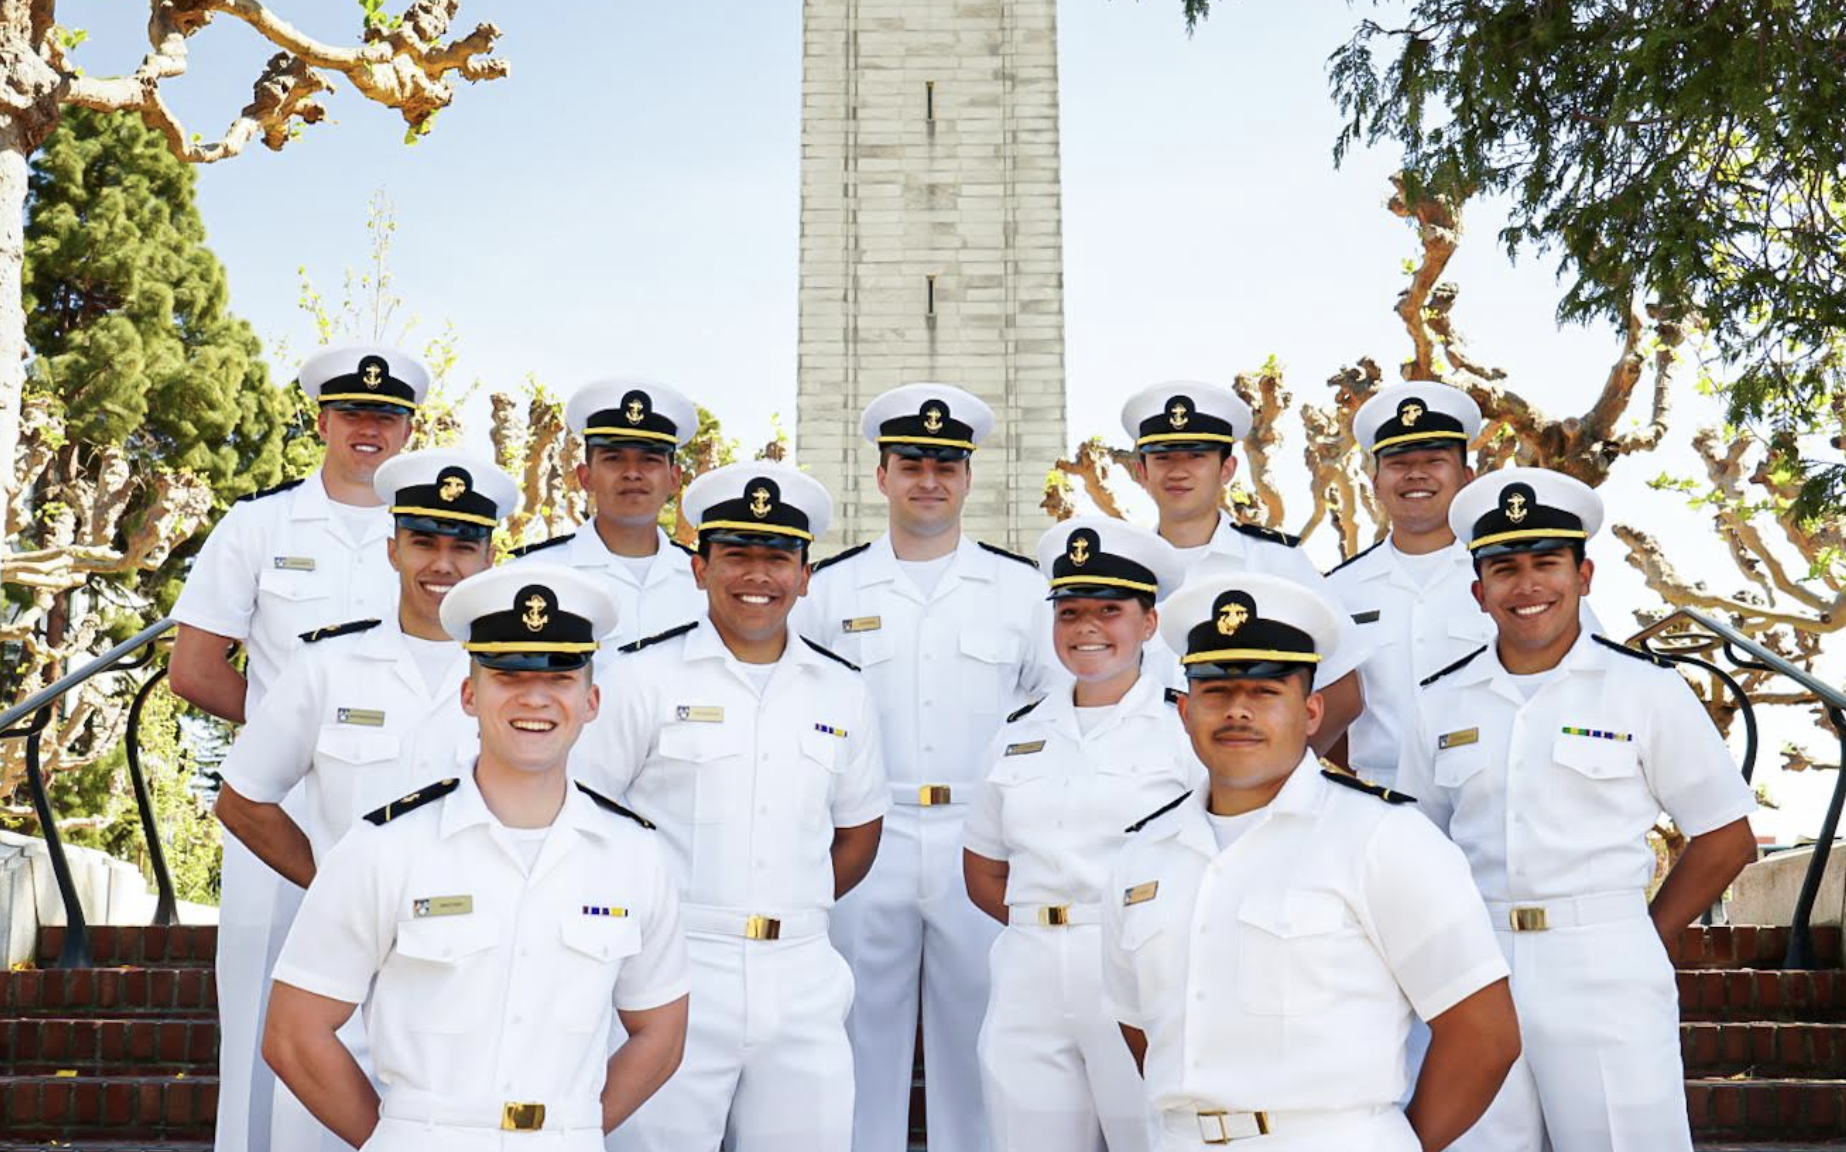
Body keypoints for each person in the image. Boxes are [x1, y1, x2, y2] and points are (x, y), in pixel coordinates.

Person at [262, 563, 690, 1152]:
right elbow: (293, 1032)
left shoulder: (634, 855)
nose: (535, 697)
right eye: (508, 675)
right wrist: (394, 1140)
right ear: (470, 694)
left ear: (591, 701)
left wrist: (576, 1128)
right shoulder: (385, 846)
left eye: (561, 676)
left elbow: (662, 1032)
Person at [1397, 467, 1759, 1152]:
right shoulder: (1439, 703)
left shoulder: (1643, 690)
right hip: (1475, 963)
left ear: (1584, 576)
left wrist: (1644, 935)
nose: (1527, 586)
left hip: (1603, 958)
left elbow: (1726, 835)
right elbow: (1417, 843)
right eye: (1504, 569)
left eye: (1547, 564)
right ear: (1478, 591)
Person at [1102, 571, 1522, 1152]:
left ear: (1313, 712)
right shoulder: (1142, 857)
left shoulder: (1383, 837)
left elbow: (1485, 1034)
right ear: (1184, 710)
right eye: (1216, 691)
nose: (1237, 712)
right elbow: (1143, 1029)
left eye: (1266, 692)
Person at [581, 461, 889, 1152]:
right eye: (737, 556)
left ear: (806, 576)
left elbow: (859, 829)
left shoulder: (843, 693)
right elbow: (585, 817)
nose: (758, 576)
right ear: (699, 568)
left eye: (778, 558)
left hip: (804, 971)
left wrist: (795, 900)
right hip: (675, 965)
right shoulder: (641, 679)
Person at [168, 344, 428, 1152]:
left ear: (409, 428)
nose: (368, 429)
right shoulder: (259, 525)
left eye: (386, 415)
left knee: (410, 1012)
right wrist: (301, 739)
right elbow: (195, 668)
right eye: (353, 412)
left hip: (405, 807)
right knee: (260, 1015)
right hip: (279, 814)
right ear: (322, 420)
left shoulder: (432, 532)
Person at [799, 381, 1061, 1152]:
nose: (929, 480)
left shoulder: (1022, 590)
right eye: (911, 464)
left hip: (978, 840)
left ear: (969, 478)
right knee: (854, 1036)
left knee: (983, 1040)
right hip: (863, 835)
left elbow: (1054, 711)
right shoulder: (830, 588)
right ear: (880, 476)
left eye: (946, 466)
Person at [962, 516, 1196, 1152]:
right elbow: (984, 869)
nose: (1086, 628)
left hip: (1140, 966)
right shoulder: (1016, 734)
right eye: (1070, 613)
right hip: (1028, 966)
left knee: (1153, 1137)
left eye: (1109, 610)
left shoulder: (1187, 728)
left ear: (1149, 622)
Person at [1327, 385, 1599, 786]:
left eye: (1435, 460)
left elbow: (1589, 680)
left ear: (1466, 477)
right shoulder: (1338, 591)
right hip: (1378, 801)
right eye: (1399, 463)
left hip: (1501, 794)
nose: (1416, 474)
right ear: (1375, 481)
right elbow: (1316, 710)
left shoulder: (1518, 580)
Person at [1118, 380, 1363, 747]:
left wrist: (1275, 777)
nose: (1178, 471)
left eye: (1196, 456)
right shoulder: (1119, 572)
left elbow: (1344, 693)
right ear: (1142, 472)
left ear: (1227, 469)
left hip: (1250, 798)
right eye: (1164, 457)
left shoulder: (1276, 563)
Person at [510, 377, 705, 649]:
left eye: (649, 460)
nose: (632, 473)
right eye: (614, 458)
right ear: (585, 476)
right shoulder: (531, 575)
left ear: (674, 478)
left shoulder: (708, 585)